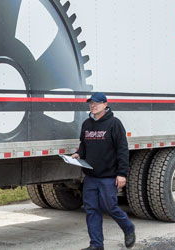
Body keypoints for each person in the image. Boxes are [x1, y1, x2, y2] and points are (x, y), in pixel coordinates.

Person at [72, 92, 135, 250]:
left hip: (108, 176)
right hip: (91, 177)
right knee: (91, 210)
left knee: (110, 207)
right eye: (91, 103)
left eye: (96, 103)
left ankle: (128, 228)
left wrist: (122, 174)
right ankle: (96, 245)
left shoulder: (114, 123)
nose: (93, 105)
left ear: (105, 104)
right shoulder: (87, 124)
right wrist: (79, 154)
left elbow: (122, 150)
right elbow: (84, 145)